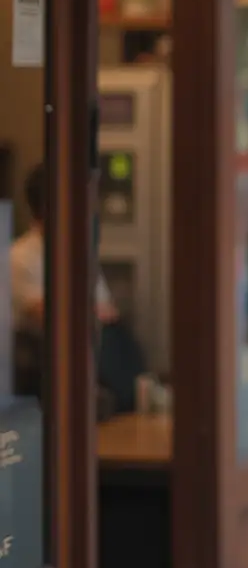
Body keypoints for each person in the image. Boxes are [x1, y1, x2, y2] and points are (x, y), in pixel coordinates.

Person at [9, 163, 144, 409]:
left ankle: (130, 393)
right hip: (45, 352)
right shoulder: (19, 257)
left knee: (118, 337)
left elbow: (108, 310)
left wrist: (88, 312)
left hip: (88, 339)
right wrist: (89, 312)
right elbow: (47, 316)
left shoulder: (79, 254)